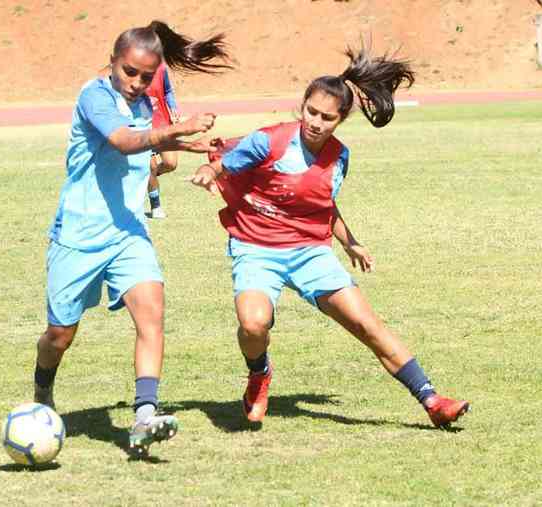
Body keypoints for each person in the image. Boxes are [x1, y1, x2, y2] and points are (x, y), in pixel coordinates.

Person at [189, 46, 469, 429]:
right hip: (257, 249)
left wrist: (349, 241)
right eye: (311, 112)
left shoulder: (339, 157)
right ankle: (259, 374)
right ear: (301, 107)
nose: (316, 123)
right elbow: (224, 164)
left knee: (367, 325)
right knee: (253, 325)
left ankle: (432, 400)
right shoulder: (269, 141)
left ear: (341, 120)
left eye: (327, 118)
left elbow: (322, 204)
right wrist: (208, 170)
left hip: (309, 251)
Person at [32, 20, 231, 457]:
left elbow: (146, 155)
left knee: (151, 312)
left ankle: (145, 416)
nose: (137, 83)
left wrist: (191, 149)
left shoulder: (144, 105)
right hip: (79, 234)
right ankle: (42, 391)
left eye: (146, 76)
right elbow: (123, 142)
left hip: (127, 233)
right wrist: (176, 132)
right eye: (130, 72)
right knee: (59, 335)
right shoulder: (94, 97)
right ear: (113, 62)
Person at [144, 62, 180, 219]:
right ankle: (156, 206)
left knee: (171, 163)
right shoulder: (129, 70)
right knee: (150, 166)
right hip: (143, 126)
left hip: (163, 123)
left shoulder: (161, 68)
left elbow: (168, 91)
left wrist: (173, 108)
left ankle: (142, 178)